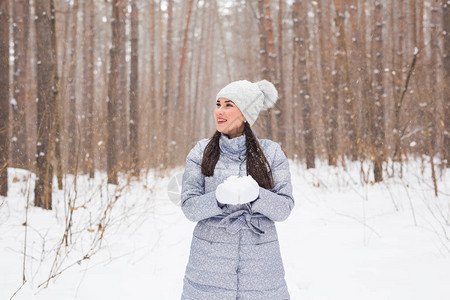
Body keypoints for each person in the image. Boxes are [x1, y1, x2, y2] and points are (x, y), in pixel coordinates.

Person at [180, 79, 294, 300]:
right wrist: (219, 198)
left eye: (228, 105)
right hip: (208, 269)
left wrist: (258, 196)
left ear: (245, 114)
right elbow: (189, 207)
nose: (219, 111)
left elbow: (284, 208)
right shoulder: (201, 152)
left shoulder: (271, 154)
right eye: (218, 103)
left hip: (260, 271)